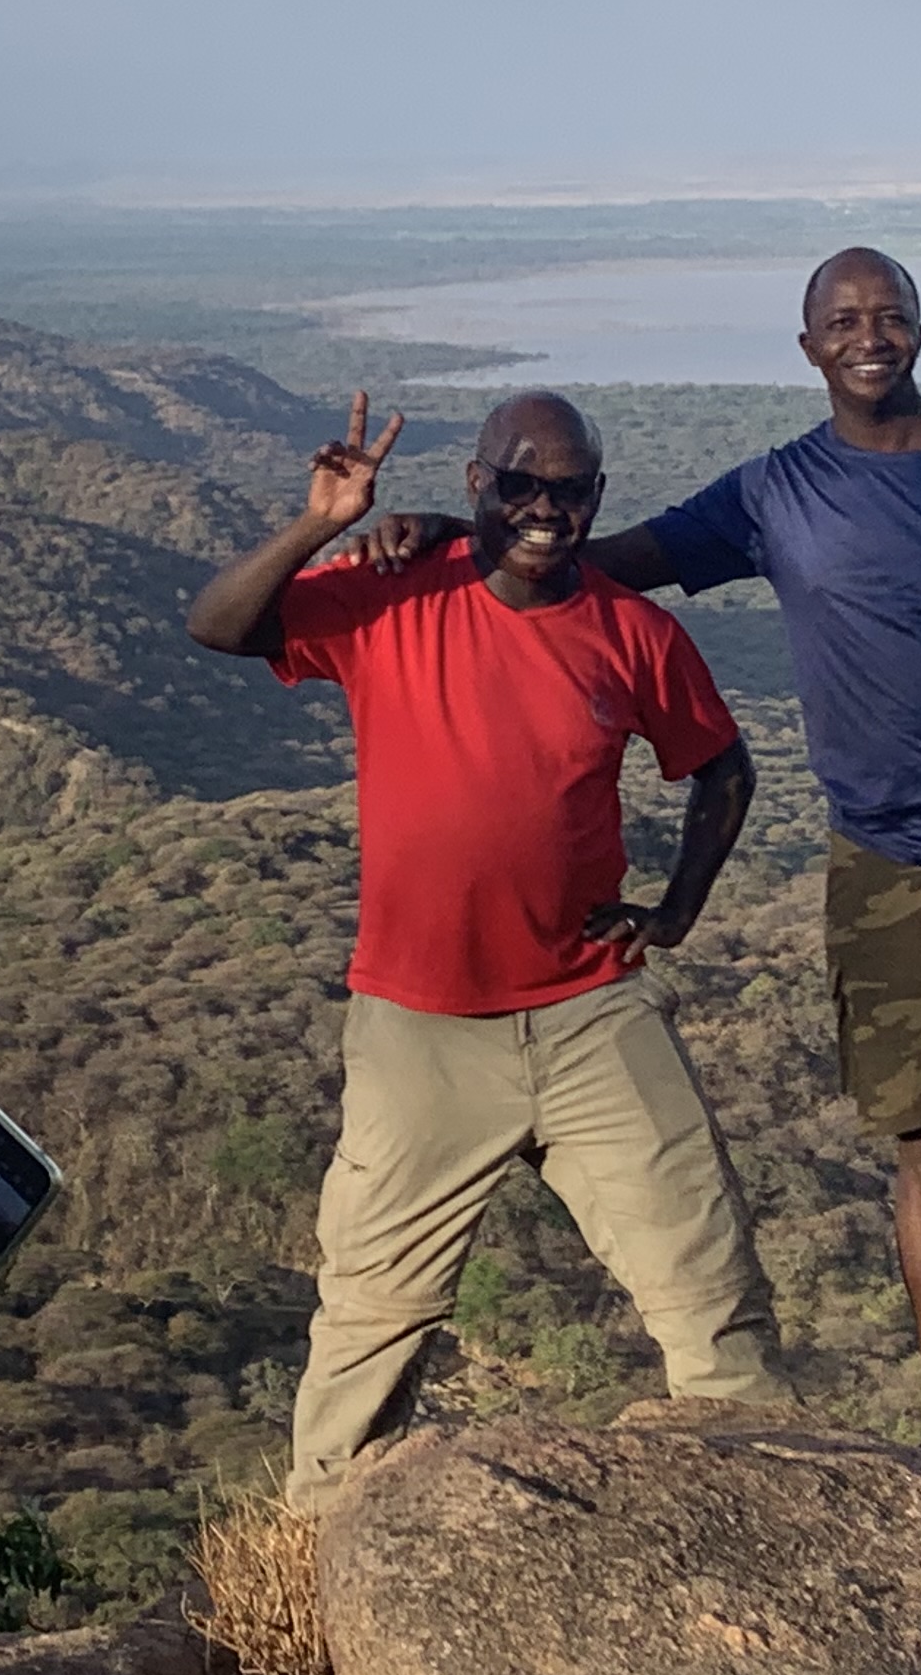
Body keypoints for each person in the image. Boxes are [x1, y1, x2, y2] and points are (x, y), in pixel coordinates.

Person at [361, 250, 921, 1484]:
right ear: (808, 347)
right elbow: (598, 556)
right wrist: (465, 529)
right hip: (879, 857)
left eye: (890, 318)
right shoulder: (775, 493)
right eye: (843, 322)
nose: (870, 338)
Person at [186, 387, 783, 1511]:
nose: (544, 509)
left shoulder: (633, 630)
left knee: (709, 1286)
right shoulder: (387, 594)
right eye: (520, 484)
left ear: (597, 498)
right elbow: (218, 626)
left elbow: (725, 767)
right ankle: (316, 1560)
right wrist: (324, 522)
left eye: (569, 490)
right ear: (478, 483)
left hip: (590, 1011)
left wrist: (677, 910)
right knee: (371, 1319)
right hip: (421, 1027)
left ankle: (760, 1522)